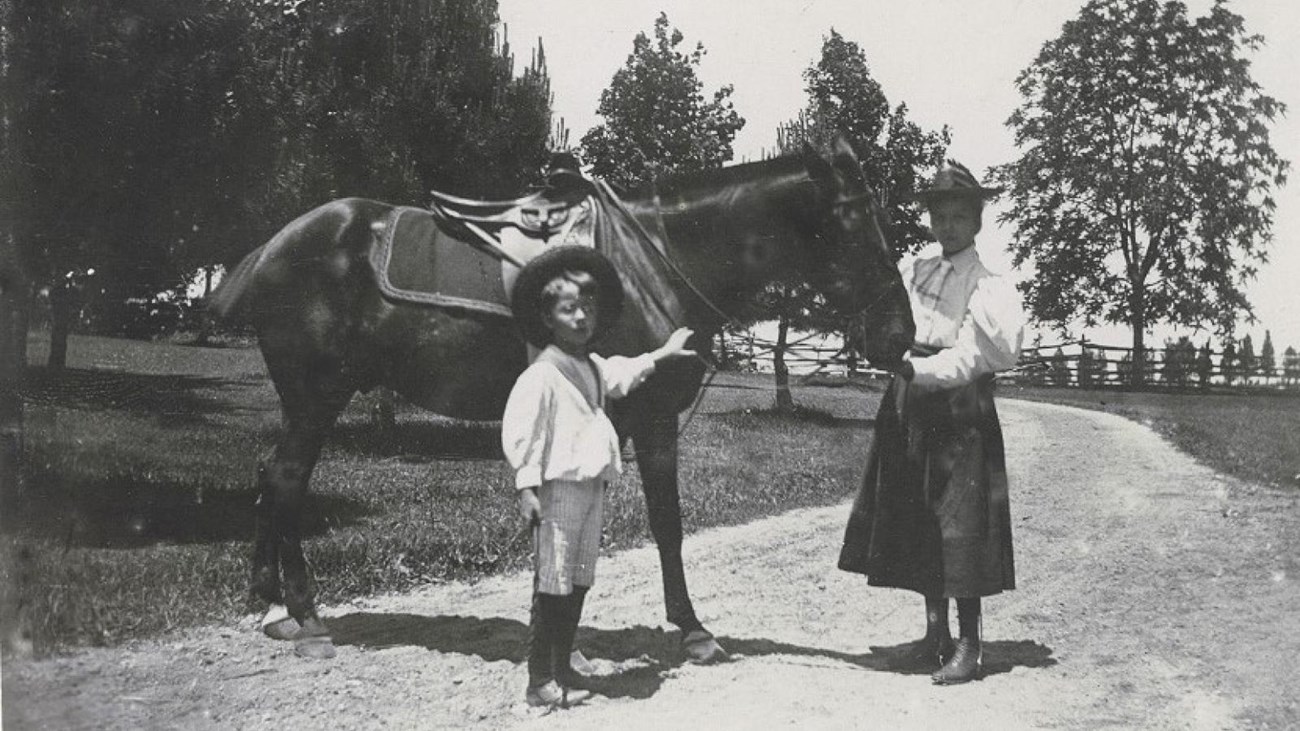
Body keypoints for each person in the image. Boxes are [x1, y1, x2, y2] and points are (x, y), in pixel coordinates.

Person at [838, 160, 1026, 685]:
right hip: (909, 399)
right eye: (940, 216)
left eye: (959, 216)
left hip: (958, 407)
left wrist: (915, 369)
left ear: (978, 221)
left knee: (959, 521)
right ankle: (933, 634)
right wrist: (880, 342)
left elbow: (974, 357)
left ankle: (969, 645)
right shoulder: (914, 268)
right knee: (914, 514)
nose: (948, 226)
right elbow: (888, 315)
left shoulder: (988, 286)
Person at [501, 245, 695, 708]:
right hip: (559, 489)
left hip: (591, 487)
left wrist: (664, 354)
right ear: (548, 318)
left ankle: (564, 658)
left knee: (579, 575)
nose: (581, 317)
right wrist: (526, 486)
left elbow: (623, 375)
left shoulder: (590, 365)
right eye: (569, 309)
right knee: (553, 579)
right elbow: (522, 432)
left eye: (588, 308)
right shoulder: (543, 373)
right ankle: (539, 677)